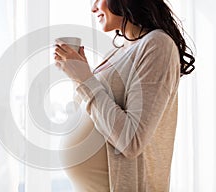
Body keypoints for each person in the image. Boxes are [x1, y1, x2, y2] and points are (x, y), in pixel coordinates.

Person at [54, 0, 195, 191]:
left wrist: (85, 79)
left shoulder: (157, 44)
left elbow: (131, 140)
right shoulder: (118, 51)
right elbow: (95, 110)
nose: (93, 8)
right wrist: (78, 73)